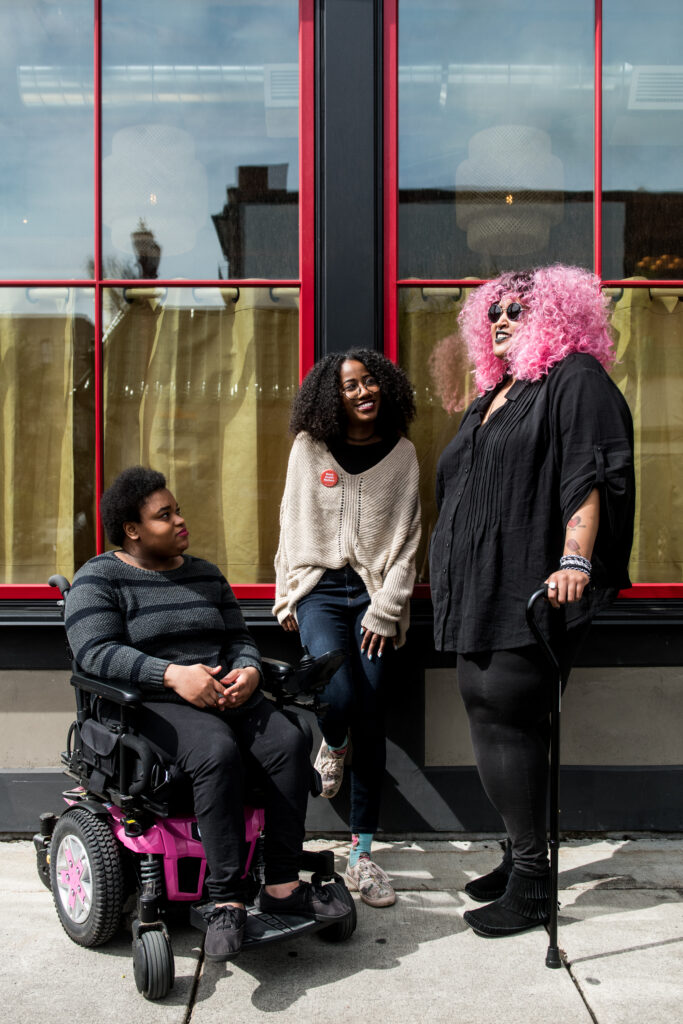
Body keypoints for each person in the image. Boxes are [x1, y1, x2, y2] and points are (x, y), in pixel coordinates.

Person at [64, 466, 350, 961]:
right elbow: (94, 653)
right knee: (216, 751)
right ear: (132, 530)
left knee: (289, 740)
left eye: (177, 510)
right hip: (149, 705)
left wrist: (249, 672)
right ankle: (226, 901)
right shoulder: (100, 578)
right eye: (164, 515)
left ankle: (281, 885)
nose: (180, 521)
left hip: (227, 693)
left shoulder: (205, 574)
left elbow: (238, 638)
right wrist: (172, 675)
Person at [429, 265, 635, 938]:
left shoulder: (574, 378)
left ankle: (530, 882)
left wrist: (574, 557)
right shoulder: (500, 390)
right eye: (491, 311)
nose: (500, 320)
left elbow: (592, 472)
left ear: (557, 313)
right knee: (494, 714)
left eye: (517, 309)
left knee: (504, 713)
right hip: (477, 580)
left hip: (526, 582)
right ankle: (523, 858)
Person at [273, 349, 421, 907]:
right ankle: (333, 743)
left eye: (369, 383)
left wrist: (387, 607)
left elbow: (408, 540)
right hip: (318, 592)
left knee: (373, 704)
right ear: (331, 398)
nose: (363, 392)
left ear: (384, 388)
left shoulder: (402, 455)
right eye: (349, 386)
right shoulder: (308, 449)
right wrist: (286, 590)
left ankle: (361, 851)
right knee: (335, 693)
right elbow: (289, 520)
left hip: (374, 596)